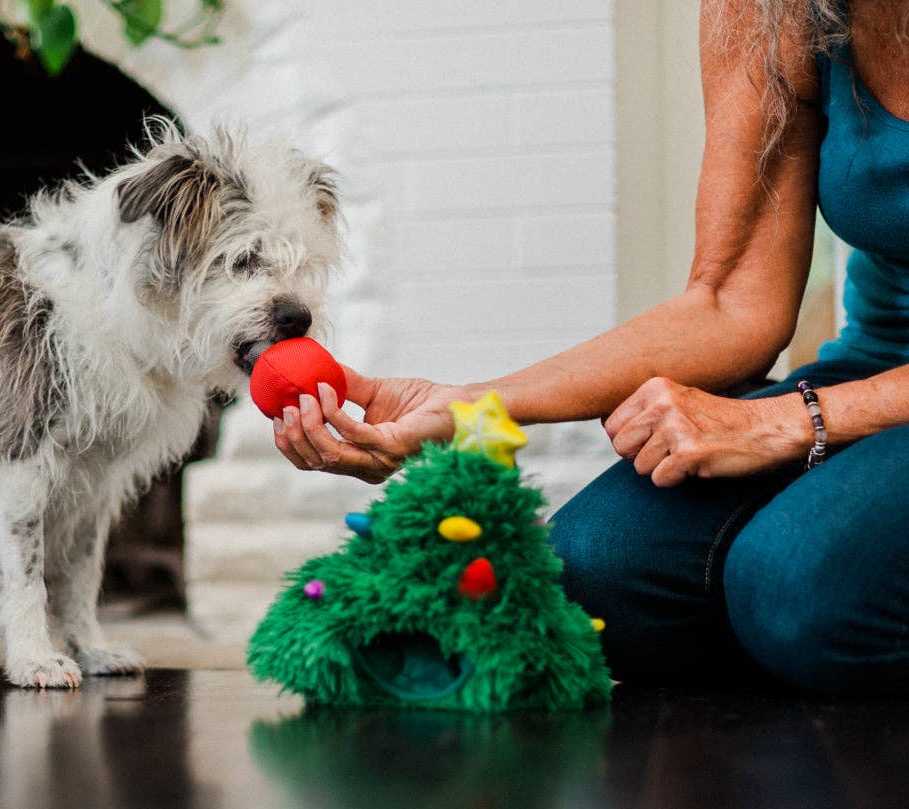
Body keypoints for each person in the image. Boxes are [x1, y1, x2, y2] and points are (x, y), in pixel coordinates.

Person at [271, 0, 909, 693]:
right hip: (878, 359)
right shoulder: (773, 7)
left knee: (798, 587)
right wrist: (466, 407)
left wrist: (791, 421)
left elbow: (786, 422)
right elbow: (731, 302)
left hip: (854, 406)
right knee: (599, 566)